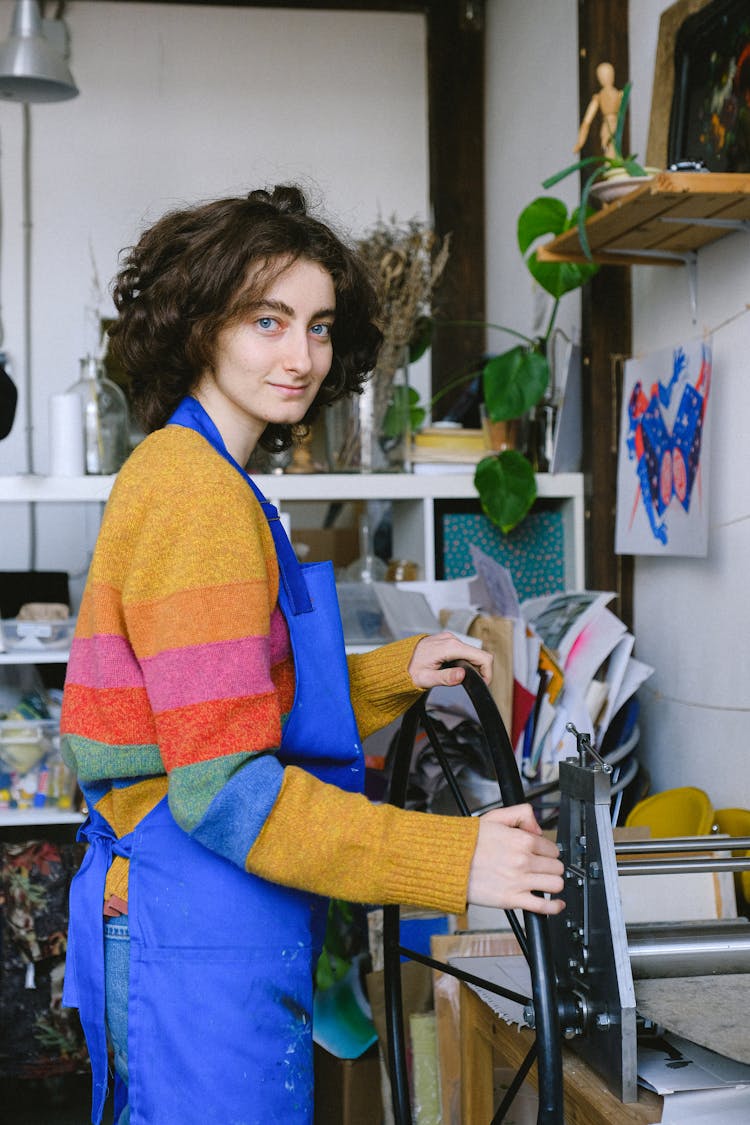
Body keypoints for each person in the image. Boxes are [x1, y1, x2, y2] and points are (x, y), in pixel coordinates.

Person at [59, 184, 565, 1125]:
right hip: (195, 917)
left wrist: (388, 676)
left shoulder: (204, 472)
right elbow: (224, 789)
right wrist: (453, 856)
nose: (302, 356)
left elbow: (217, 706)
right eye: (268, 320)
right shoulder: (197, 495)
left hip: (199, 909)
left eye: (321, 326)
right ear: (201, 323)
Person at [574, 61, 623, 158]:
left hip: (617, 128)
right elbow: (586, 122)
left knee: (614, 153)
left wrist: (580, 142)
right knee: (609, 152)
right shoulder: (600, 97)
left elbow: (586, 122)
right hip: (608, 128)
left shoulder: (620, 95)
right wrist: (580, 142)